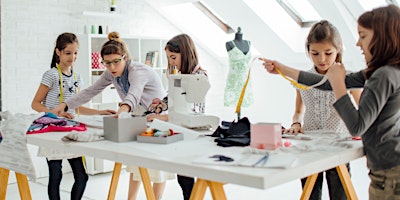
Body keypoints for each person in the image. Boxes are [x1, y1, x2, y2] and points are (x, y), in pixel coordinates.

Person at [261, 5, 400, 199]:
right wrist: (282, 69)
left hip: (390, 170)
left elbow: (358, 126)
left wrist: (338, 83)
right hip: (383, 166)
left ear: (381, 37)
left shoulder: (384, 75)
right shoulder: (378, 72)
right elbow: (321, 83)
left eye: (363, 36)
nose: (358, 43)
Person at [51, 31, 168, 199]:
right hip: (139, 119)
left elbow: (134, 93)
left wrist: (123, 110)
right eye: (107, 63)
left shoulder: (137, 71)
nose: (112, 67)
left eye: (116, 62)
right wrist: (66, 104)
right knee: (136, 165)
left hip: (158, 119)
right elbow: (90, 91)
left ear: (125, 58)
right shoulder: (110, 73)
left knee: (156, 169)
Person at [282, 20, 362, 200]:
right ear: (308, 50)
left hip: (339, 147)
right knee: (310, 195)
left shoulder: (351, 78)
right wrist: (296, 123)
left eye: (328, 53)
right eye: (315, 53)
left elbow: (362, 112)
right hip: (309, 146)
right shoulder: (303, 78)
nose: (322, 59)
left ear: (339, 48)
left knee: (340, 195)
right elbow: (298, 110)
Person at [31, 32, 114, 200]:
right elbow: (35, 103)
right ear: (58, 52)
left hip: (71, 132)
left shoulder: (77, 77)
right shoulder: (51, 75)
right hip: (53, 132)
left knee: (82, 177)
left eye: (75, 53)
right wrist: (54, 113)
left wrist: (99, 112)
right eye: (68, 53)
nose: (72, 57)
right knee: (56, 177)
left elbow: (77, 107)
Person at [147, 33, 207, 200]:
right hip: (181, 131)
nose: (171, 62)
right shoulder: (179, 76)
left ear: (185, 53)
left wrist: (164, 118)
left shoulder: (199, 77)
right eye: (169, 58)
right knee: (183, 177)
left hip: (193, 132)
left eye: (173, 57)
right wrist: (160, 106)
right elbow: (172, 96)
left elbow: (191, 108)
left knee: (187, 179)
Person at [224, 27, 254, 108]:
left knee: (244, 102)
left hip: (246, 78)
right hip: (234, 79)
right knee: (235, 103)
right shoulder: (229, 44)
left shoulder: (248, 43)